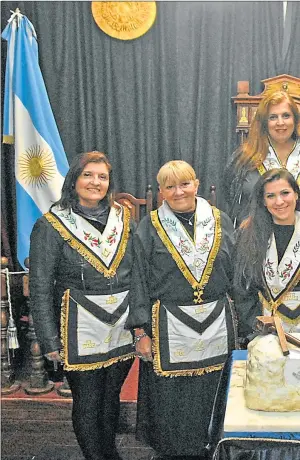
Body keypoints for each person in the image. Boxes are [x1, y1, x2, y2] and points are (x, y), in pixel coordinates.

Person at [126, 160, 237, 459]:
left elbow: (235, 271)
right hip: (168, 326)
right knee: (173, 402)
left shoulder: (219, 219)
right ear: (161, 191)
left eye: (185, 184)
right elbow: (138, 278)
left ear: (196, 184)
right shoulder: (149, 226)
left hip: (215, 322)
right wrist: (141, 332)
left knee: (212, 394)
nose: (179, 192)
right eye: (170, 186)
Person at [29, 151, 136, 460]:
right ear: (74, 179)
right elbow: (39, 287)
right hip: (78, 327)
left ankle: (109, 453)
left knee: (110, 397)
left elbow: (136, 272)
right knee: (87, 401)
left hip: (121, 324)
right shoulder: (50, 225)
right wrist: (49, 340)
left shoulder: (124, 218)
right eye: (88, 175)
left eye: (102, 176)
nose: (95, 182)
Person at [234, 168, 300, 342]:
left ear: (296, 195)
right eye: (270, 196)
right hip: (264, 334)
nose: (279, 201)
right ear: (263, 201)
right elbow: (242, 290)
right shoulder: (249, 234)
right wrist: (257, 326)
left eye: (285, 193)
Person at [224, 90, 300, 228]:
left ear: (295, 119)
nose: (280, 122)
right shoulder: (244, 158)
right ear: (264, 122)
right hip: (256, 240)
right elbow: (230, 197)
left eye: (286, 116)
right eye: (273, 117)